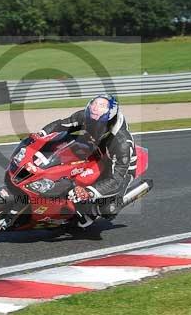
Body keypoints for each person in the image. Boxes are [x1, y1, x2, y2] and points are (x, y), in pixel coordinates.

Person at [33, 95, 137, 227]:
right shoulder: (86, 116)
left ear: (109, 121)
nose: (93, 126)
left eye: (98, 124)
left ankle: (92, 213)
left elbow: (116, 180)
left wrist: (88, 192)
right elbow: (61, 124)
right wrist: (41, 134)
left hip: (119, 168)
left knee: (109, 209)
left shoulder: (121, 142)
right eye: (91, 121)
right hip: (95, 149)